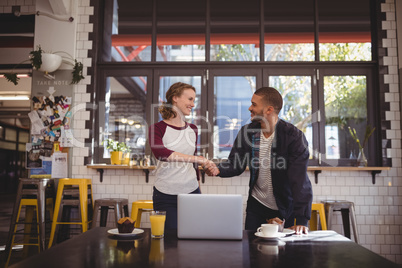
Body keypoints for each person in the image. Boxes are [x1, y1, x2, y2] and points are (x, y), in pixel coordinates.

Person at [204, 87, 312, 234]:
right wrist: (219, 169)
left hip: (285, 208)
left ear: (269, 110)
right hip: (257, 206)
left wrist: (301, 220)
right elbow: (236, 164)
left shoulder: (294, 138)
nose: (250, 108)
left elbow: (299, 182)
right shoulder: (247, 132)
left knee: (286, 256)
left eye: (254, 104)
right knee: (252, 253)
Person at [149, 82, 212, 229]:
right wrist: (197, 159)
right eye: (190, 99)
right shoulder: (157, 128)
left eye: (193, 100)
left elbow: (193, 164)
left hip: (192, 191)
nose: (193, 104)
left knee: (194, 237)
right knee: (170, 242)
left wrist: (198, 188)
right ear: (175, 98)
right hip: (165, 194)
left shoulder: (193, 129)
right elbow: (161, 153)